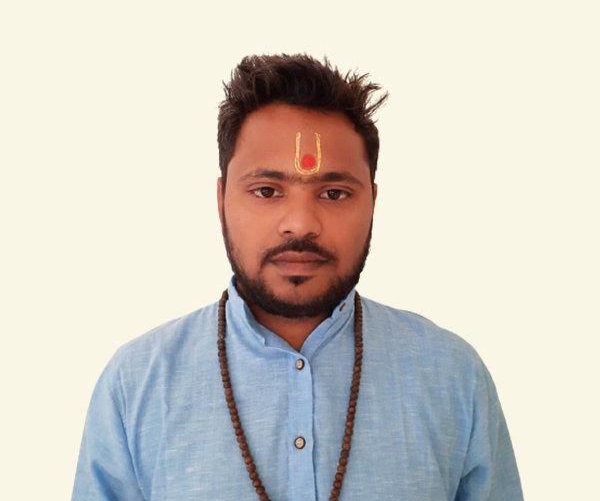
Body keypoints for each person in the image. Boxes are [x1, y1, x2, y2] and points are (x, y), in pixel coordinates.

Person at [72, 54, 523, 501]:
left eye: (334, 193)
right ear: (221, 200)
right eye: (267, 191)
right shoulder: (136, 383)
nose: (301, 223)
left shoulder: (453, 376)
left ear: (372, 202)